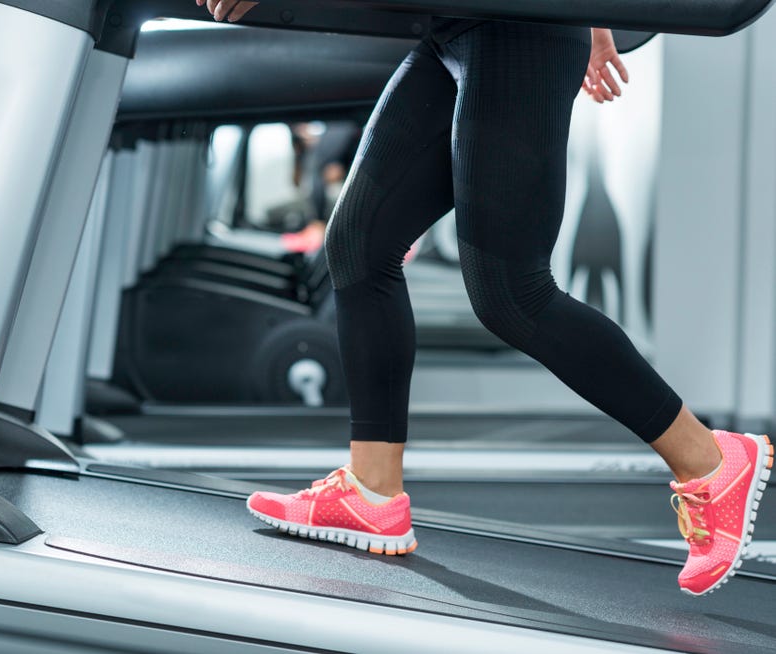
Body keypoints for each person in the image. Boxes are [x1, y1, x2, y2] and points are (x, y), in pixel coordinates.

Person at [198, 0, 774, 596]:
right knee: (358, 245)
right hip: (457, 27)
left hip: (520, 26)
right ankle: (372, 491)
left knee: (511, 293)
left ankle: (708, 460)